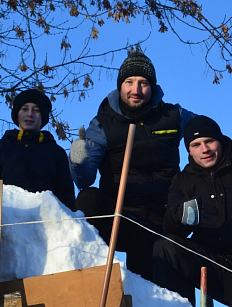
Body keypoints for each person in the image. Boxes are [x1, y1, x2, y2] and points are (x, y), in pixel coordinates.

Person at [69, 51, 196, 281]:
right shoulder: (103, 123)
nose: (136, 90)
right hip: (122, 216)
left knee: (156, 293)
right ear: (120, 86)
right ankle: (86, 273)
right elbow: (84, 179)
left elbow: (205, 133)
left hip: (163, 218)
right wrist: (79, 161)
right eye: (129, 82)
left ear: (152, 87)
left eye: (143, 83)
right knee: (88, 197)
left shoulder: (173, 115)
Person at [152, 115, 232, 307]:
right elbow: (170, 230)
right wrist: (179, 215)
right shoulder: (182, 181)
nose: (204, 149)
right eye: (195, 145)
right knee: (166, 247)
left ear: (220, 141)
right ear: (189, 150)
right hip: (208, 262)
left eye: (209, 141)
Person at [0, 89, 74, 209]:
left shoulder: (56, 153)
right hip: (6, 219)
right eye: (24, 109)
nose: (30, 114)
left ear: (43, 117)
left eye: (36, 110)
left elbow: (66, 198)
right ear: (17, 114)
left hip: (47, 222)